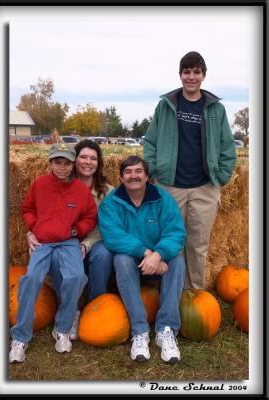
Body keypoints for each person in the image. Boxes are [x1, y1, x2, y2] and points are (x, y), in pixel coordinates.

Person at [144, 51, 236, 289]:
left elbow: (227, 146)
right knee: (171, 242)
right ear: (180, 75)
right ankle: (170, 294)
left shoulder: (216, 109)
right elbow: (151, 141)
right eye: (187, 72)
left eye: (196, 72)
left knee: (197, 245)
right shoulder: (165, 106)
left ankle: (194, 295)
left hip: (204, 188)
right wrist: (153, 170)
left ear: (203, 75)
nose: (191, 77)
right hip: (169, 186)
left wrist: (222, 177)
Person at [9, 143, 97, 363]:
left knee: (76, 278)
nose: (62, 168)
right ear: (50, 163)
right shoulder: (40, 184)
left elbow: (89, 216)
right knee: (31, 280)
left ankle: (62, 329)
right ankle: (20, 337)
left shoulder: (80, 189)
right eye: (58, 162)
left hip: (68, 243)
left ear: (72, 165)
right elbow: (27, 209)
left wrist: (76, 231)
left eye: (67, 163)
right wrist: (33, 229)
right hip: (44, 243)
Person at [98, 156, 186, 363]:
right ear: (121, 177)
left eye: (138, 171)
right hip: (133, 259)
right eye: (128, 172)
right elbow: (113, 236)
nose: (133, 176)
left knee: (178, 261)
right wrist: (148, 254)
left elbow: (176, 233)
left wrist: (158, 254)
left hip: (159, 258)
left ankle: (166, 330)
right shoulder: (111, 202)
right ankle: (139, 331)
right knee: (121, 259)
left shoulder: (163, 199)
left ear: (147, 176)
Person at [27, 139, 114, 340]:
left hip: (93, 240)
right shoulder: (57, 185)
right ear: (74, 160)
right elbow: (39, 212)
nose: (87, 162)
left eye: (93, 158)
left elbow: (105, 225)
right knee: (56, 256)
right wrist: (31, 232)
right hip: (62, 241)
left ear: (99, 163)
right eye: (83, 157)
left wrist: (86, 244)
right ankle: (71, 309)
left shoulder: (108, 191)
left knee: (103, 254)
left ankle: (95, 307)